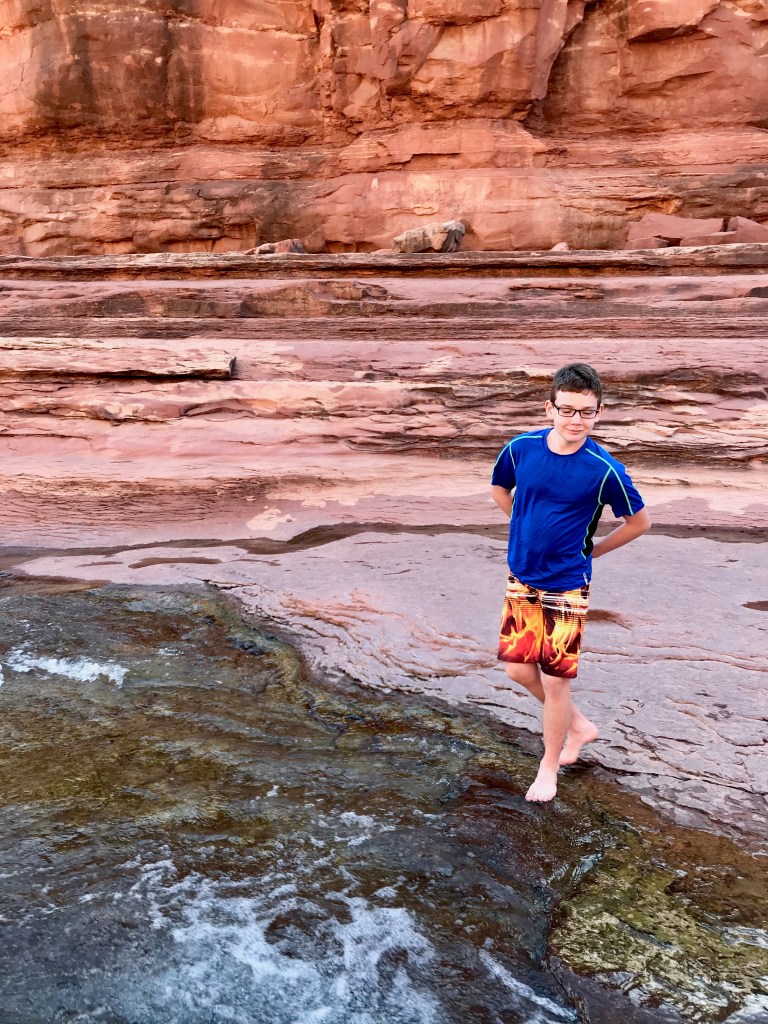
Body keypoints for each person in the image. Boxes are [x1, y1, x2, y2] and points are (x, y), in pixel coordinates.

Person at [490, 363, 650, 803]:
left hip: (566, 586)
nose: (576, 420)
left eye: (586, 412)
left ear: (599, 412)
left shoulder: (605, 470)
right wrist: (523, 527)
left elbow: (639, 522)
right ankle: (578, 725)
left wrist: (592, 552)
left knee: (555, 680)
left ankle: (549, 767)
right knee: (517, 670)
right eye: (567, 410)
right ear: (550, 408)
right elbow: (500, 490)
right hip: (522, 578)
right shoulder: (521, 448)